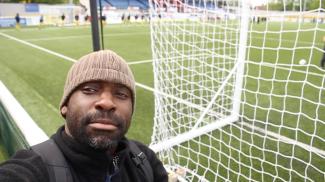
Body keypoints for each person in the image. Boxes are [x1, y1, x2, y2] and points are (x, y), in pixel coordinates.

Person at [0, 50, 168, 182]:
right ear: (65, 105)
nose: (107, 102)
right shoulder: (35, 167)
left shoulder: (144, 158)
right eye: (90, 90)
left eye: (122, 94)